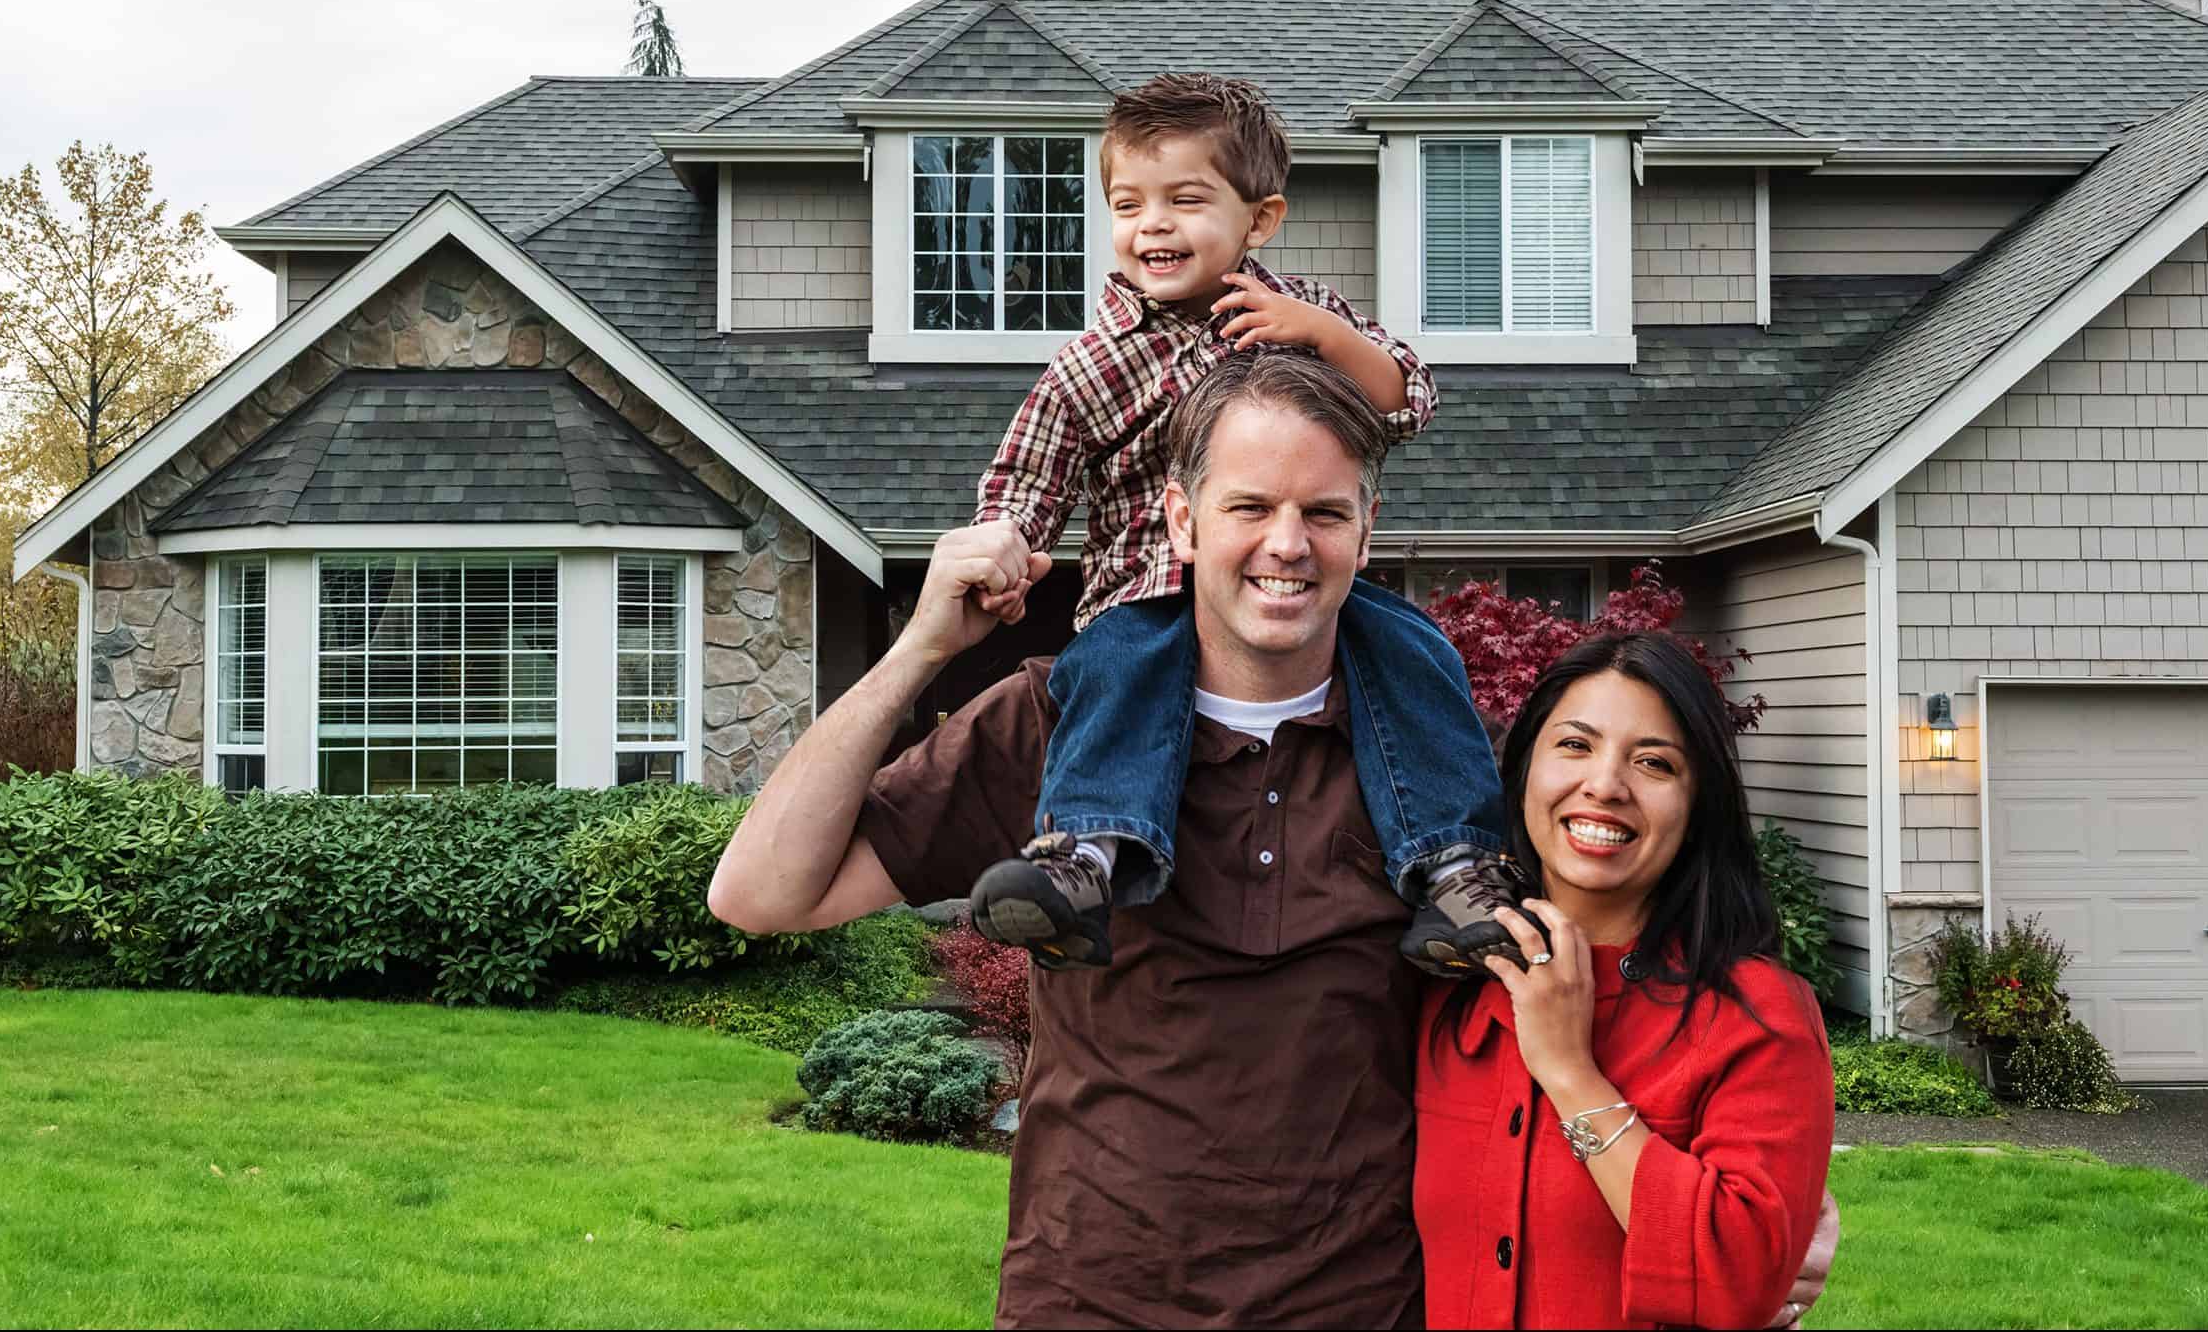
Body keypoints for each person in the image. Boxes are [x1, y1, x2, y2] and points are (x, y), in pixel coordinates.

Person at [707, 350, 1835, 1328]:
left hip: (1360, 1302)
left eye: (1325, 513)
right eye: (1249, 508)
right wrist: (917, 652)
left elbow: (1611, 967)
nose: (1286, 546)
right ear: (1183, 522)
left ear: (1366, 529)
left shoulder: (1438, 777)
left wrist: (1775, 1204)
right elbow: (759, 893)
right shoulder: (1057, 723)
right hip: (1089, 1299)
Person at [961, 72, 1523, 977]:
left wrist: (1321, 336)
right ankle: (1085, 858)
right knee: (1109, 673)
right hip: (1148, 593)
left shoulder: (1304, 319)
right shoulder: (1092, 363)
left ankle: (1455, 868)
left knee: (1414, 648)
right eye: (1129, 204)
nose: (1154, 225)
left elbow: (1407, 400)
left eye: (1186, 200)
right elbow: (1032, 477)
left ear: (1259, 219)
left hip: (1297, 585)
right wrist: (1005, 545)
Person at [1414, 631, 1837, 1329]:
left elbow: (1739, 1282)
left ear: (1699, 804)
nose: (1606, 785)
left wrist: (1569, 1072)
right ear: (1521, 774)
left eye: (1654, 763)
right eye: (1575, 746)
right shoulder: (1444, 991)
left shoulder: (1758, 1018)